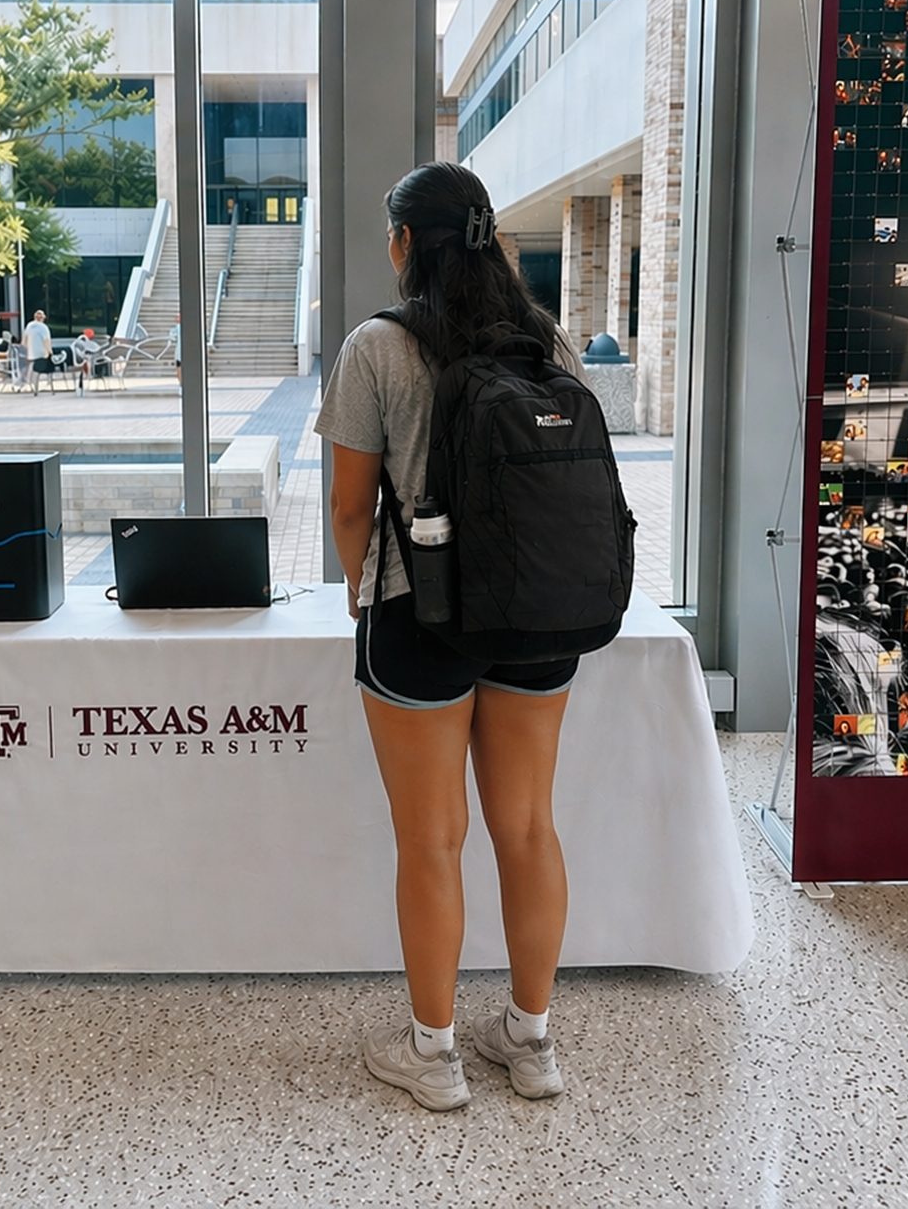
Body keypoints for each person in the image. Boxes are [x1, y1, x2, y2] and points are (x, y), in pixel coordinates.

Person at [315, 161, 581, 1112]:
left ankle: (434, 1056)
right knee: (527, 826)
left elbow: (350, 507)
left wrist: (359, 587)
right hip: (540, 613)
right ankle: (532, 1042)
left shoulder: (378, 348)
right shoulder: (546, 342)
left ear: (402, 244)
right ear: (491, 241)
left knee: (432, 840)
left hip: (419, 613)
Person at [22, 310, 51, 392]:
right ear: (43, 318)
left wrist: (24, 348)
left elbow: (24, 339)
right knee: (41, 367)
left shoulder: (29, 325)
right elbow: (46, 340)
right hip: (41, 351)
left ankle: (28, 383)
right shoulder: (44, 327)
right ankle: (45, 383)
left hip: (31, 351)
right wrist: (49, 351)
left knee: (31, 367)